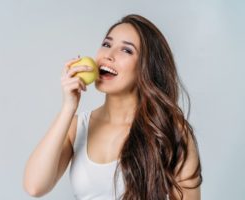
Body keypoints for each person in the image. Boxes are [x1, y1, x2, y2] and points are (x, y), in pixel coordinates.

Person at [23, 14, 202, 200]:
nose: (108, 55)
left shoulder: (168, 130)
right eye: (107, 45)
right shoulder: (78, 127)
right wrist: (68, 107)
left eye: (126, 50)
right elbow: (35, 186)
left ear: (146, 67)